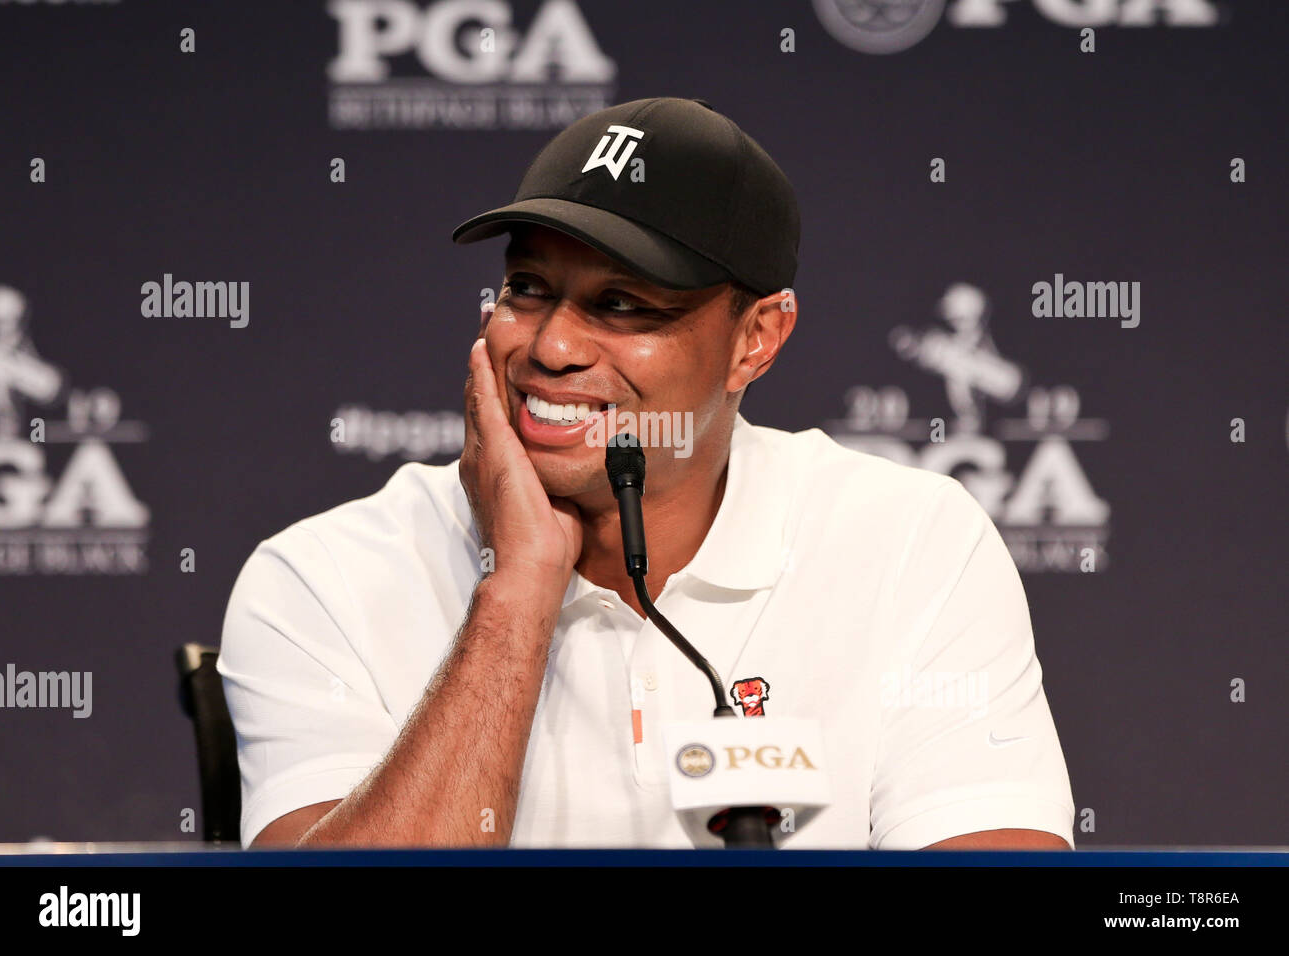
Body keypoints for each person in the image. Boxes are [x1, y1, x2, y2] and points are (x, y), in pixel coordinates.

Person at [218, 96, 1075, 850]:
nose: (550, 347)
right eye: (526, 287)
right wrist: (516, 593)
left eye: (623, 304)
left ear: (757, 340)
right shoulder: (324, 577)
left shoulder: (908, 543)